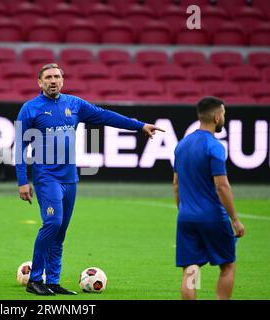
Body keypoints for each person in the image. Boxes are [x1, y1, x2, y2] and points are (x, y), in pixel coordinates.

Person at [15, 63, 164, 295]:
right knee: (52, 224)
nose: (53, 81)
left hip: (70, 178)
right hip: (47, 178)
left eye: (57, 77)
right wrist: (23, 180)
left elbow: (105, 116)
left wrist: (139, 126)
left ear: (62, 80)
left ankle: (53, 281)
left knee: (61, 232)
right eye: (48, 77)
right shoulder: (30, 109)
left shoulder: (74, 104)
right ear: (39, 82)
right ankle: (35, 280)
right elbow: (19, 148)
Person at [173, 96, 245, 300]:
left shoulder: (182, 145)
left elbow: (176, 184)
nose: (224, 117)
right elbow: (221, 186)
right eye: (223, 113)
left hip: (186, 217)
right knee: (227, 265)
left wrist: (183, 210)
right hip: (213, 217)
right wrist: (235, 219)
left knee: (191, 269)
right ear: (216, 116)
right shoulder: (214, 147)